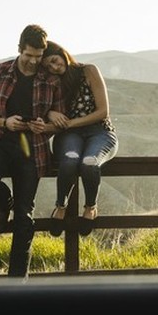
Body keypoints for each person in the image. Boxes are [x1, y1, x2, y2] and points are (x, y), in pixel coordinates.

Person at [0, 24, 63, 277]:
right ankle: (4, 202)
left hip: (33, 149)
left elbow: (59, 123)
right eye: (28, 55)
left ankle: (16, 284)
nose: (33, 61)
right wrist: (5, 122)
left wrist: (44, 127)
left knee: (25, 217)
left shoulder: (51, 81)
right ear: (19, 49)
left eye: (38, 56)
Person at [42, 41, 119, 237]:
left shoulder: (89, 71)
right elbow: (40, 107)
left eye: (54, 60)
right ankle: (61, 207)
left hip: (99, 131)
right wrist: (50, 113)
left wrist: (70, 123)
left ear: (61, 53)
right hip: (69, 135)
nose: (54, 67)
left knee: (89, 163)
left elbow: (103, 112)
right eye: (48, 66)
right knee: (69, 161)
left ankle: (90, 207)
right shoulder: (52, 82)